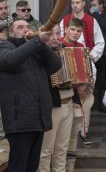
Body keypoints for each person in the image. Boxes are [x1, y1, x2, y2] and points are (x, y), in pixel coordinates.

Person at [0, 19, 62, 172]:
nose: (26, 30)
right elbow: (10, 59)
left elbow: (56, 65)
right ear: (12, 33)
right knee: (19, 166)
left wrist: (41, 43)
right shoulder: (4, 47)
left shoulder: (36, 49)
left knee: (32, 166)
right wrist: (37, 40)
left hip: (37, 118)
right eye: (20, 27)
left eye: (28, 27)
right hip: (19, 120)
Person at [60, 0, 105, 144]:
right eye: (73, 3)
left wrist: (89, 57)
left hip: (86, 64)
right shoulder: (65, 21)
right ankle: (68, 132)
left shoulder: (92, 21)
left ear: (83, 3)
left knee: (85, 99)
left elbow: (100, 42)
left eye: (78, 2)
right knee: (68, 101)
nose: (75, 5)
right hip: (66, 67)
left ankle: (83, 132)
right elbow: (60, 40)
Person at [38, 24, 75, 172]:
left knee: (62, 149)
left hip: (69, 103)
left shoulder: (67, 52)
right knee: (46, 150)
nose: (54, 37)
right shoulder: (39, 55)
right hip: (52, 107)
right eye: (51, 34)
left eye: (57, 33)